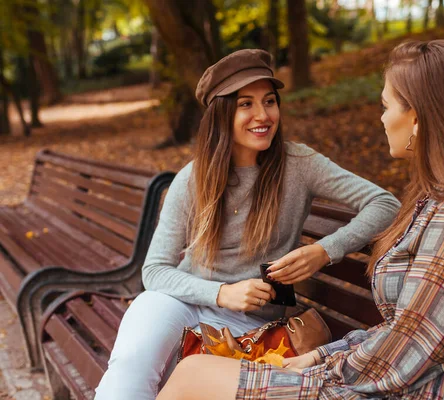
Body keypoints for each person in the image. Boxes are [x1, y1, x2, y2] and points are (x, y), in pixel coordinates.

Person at [156, 40, 444, 400]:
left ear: (416, 119)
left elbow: (410, 350)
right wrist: (319, 356)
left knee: (194, 377)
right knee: (194, 372)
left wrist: (322, 367)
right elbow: (404, 333)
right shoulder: (437, 201)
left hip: (435, 388)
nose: (382, 119)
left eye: (386, 106)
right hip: (408, 378)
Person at [94, 49, 400, 399]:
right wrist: (222, 293)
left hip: (254, 324)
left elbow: (385, 203)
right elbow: (155, 271)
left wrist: (322, 251)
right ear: (222, 114)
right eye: (245, 104)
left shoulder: (299, 164)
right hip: (184, 304)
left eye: (269, 101)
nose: (263, 115)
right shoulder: (194, 179)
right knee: (133, 358)